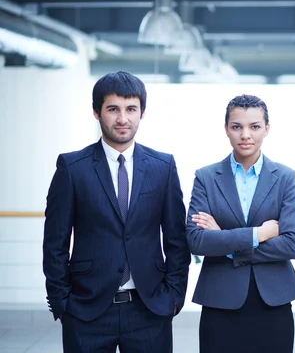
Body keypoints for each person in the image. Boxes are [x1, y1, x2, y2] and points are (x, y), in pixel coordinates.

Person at [42, 71, 190, 353]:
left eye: (131, 109)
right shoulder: (72, 168)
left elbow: (176, 239)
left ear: (142, 113)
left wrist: (174, 296)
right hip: (87, 311)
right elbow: (55, 242)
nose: (123, 118)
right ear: (97, 113)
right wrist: (63, 302)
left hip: (149, 308)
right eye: (113, 109)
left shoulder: (163, 167)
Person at [186, 94, 295, 353]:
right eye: (237, 126)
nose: (245, 135)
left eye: (254, 126)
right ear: (226, 129)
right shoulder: (206, 177)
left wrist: (225, 241)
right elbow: (196, 240)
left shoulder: (284, 177)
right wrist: (258, 234)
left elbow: (292, 245)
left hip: (272, 301)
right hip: (220, 301)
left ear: (267, 129)